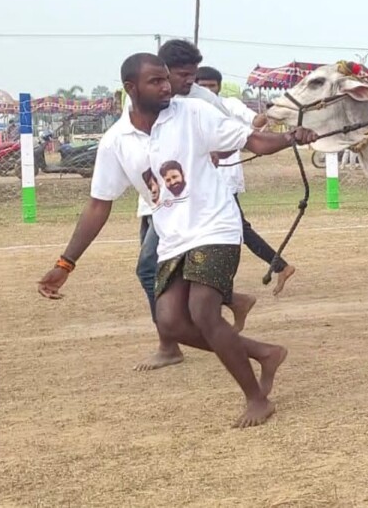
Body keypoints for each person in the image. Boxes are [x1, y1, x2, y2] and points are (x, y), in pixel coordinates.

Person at [36, 52, 319, 428]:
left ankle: (257, 399)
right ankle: (265, 353)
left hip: (215, 226)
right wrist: (64, 264)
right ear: (130, 88)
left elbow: (254, 141)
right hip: (173, 238)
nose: (166, 86)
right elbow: (97, 207)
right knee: (170, 322)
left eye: (166, 78)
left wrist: (291, 138)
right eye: (155, 81)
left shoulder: (192, 114)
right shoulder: (116, 141)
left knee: (204, 311)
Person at [129, 38, 257, 371]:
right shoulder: (144, 100)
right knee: (157, 271)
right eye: (183, 74)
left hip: (199, 203)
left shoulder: (202, 101)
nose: (190, 82)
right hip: (159, 204)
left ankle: (169, 341)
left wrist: (215, 149)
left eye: (193, 74)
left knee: (150, 270)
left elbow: (234, 137)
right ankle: (228, 304)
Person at [194, 65, 298, 294]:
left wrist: (277, 109)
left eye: (212, 86)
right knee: (235, 230)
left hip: (224, 179)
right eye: (203, 86)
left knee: (235, 230)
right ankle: (278, 266)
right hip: (198, 180)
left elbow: (256, 122)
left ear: (219, 87)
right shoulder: (190, 109)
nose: (208, 90)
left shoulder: (229, 105)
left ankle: (222, 286)